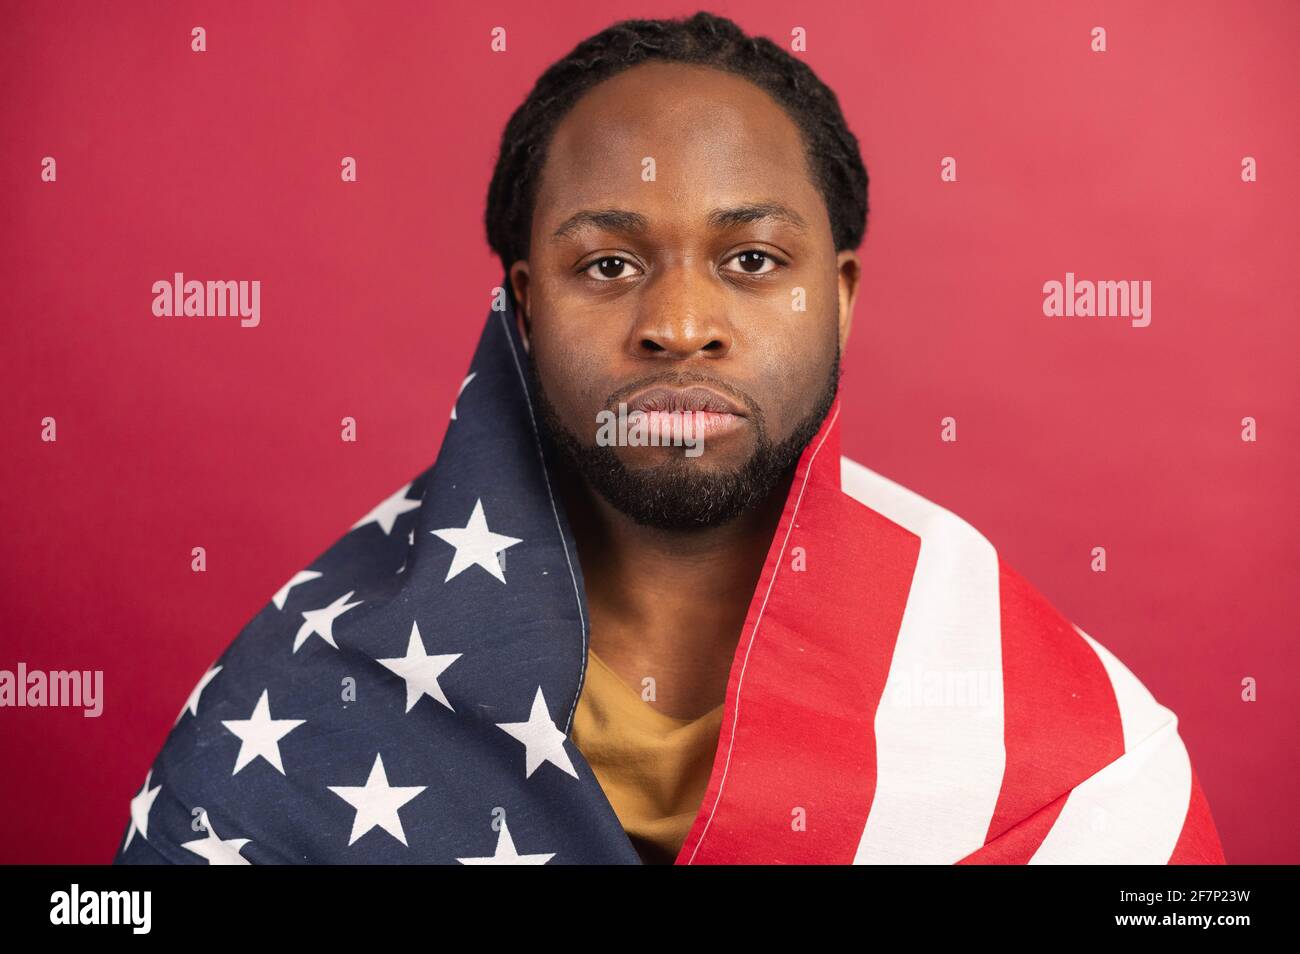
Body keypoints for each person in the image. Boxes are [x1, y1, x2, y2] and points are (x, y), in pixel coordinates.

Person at [113, 11, 1224, 865]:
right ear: (525, 301)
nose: (678, 326)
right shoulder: (305, 696)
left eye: (750, 262)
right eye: (607, 264)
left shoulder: (1065, 754)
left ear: (838, 296)